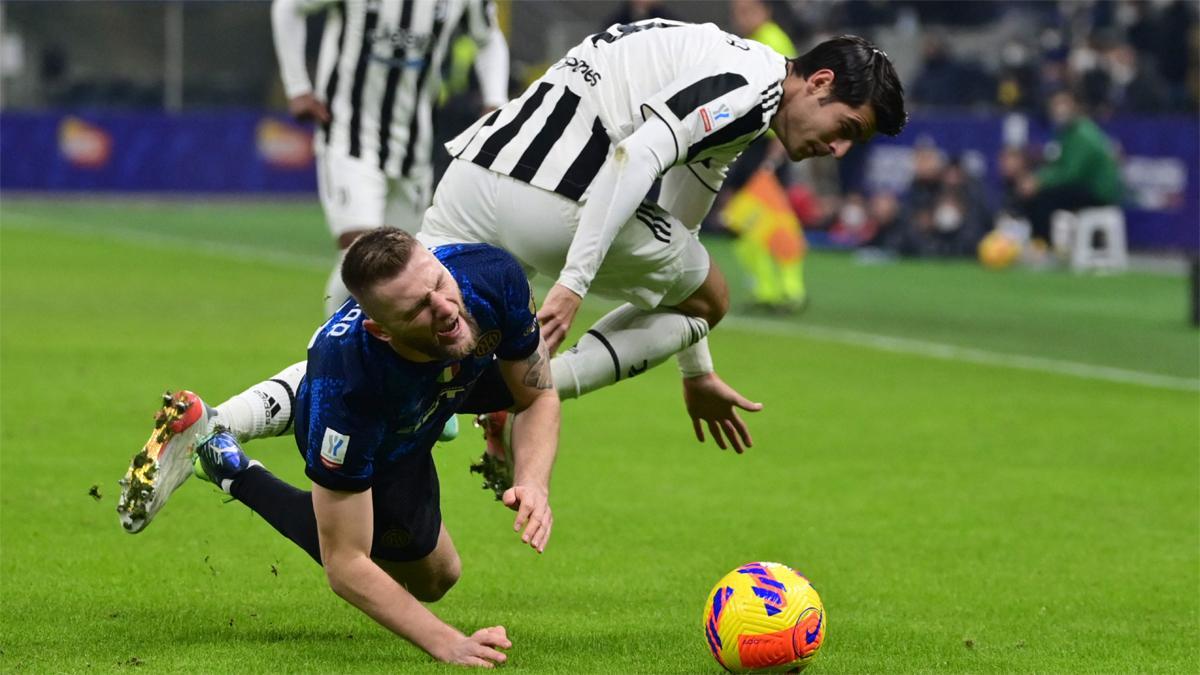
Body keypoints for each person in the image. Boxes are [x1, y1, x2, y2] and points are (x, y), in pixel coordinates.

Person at [424, 22, 906, 450]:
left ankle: (388, 415)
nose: (839, 149)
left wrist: (696, 368)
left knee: (397, 314)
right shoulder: (748, 91)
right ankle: (519, 391)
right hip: (556, 198)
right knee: (711, 299)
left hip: (477, 168)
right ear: (820, 82)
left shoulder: (724, 66)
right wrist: (575, 283)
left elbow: (682, 234)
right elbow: (635, 157)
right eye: (846, 127)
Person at [117, 228, 558, 668]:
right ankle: (227, 465)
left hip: (427, 381)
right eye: (418, 308)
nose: (444, 308)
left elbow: (538, 395)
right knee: (435, 579)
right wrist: (449, 643)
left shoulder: (491, 275)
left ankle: (427, 408)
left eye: (439, 284)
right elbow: (345, 564)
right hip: (383, 434)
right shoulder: (350, 392)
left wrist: (533, 482)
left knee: (496, 362)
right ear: (381, 331)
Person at [271, 0, 509, 317]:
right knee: (361, 250)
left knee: (405, 263)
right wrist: (298, 87)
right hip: (350, 135)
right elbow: (288, 7)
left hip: (415, 146)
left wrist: (495, 101)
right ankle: (331, 357)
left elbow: (488, 37)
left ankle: (388, 362)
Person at [1016, 89, 1122, 245]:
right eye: (1055, 104)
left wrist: (1038, 181)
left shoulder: (1083, 134)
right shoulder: (1066, 133)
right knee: (1039, 195)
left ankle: (1045, 245)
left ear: (1075, 107)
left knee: (1042, 199)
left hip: (1097, 193)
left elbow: (1071, 173)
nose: (1058, 109)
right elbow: (1057, 165)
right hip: (1084, 188)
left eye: (1063, 104)